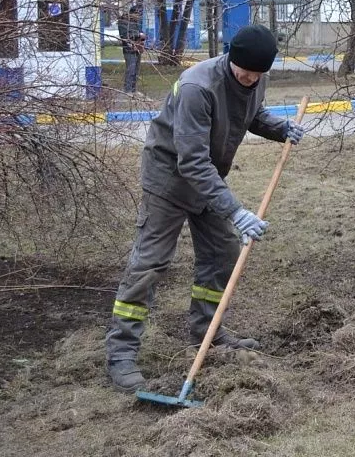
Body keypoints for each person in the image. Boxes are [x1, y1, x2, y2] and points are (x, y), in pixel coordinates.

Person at [104, 24, 307, 392]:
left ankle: (206, 331)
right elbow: (191, 162)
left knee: (221, 253)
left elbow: (250, 114)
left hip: (207, 179)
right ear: (230, 58)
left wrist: (281, 128)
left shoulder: (256, 77)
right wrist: (237, 211)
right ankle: (121, 353)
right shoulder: (198, 86)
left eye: (257, 74)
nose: (249, 79)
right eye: (243, 71)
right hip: (170, 177)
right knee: (150, 263)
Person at [118, 4, 146, 95]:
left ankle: (134, 89)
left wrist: (142, 35)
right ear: (133, 13)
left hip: (138, 48)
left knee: (136, 70)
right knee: (131, 70)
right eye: (138, 14)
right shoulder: (123, 22)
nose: (139, 17)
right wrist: (138, 35)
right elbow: (125, 36)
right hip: (129, 50)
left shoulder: (136, 22)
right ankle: (127, 90)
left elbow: (140, 31)